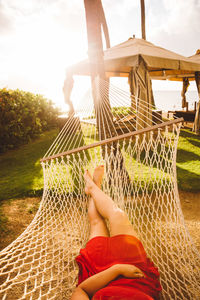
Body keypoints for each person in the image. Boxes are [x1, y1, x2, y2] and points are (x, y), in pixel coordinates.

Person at [71, 166, 162, 300]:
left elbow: (81, 291)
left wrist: (117, 269)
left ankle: (93, 187)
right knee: (118, 215)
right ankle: (94, 187)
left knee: (97, 222)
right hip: (135, 273)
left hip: (100, 273)